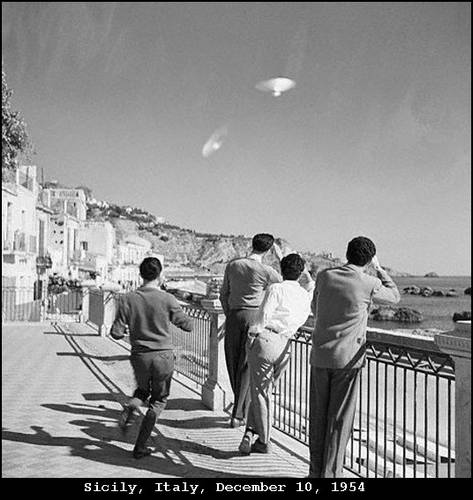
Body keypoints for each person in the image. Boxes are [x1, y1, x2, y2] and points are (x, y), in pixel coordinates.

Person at [308, 236, 400, 477]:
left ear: (347, 253)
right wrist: (379, 269)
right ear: (369, 260)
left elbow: (314, 308)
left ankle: (314, 472)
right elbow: (394, 296)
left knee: (317, 418)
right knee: (339, 421)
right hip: (348, 360)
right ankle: (331, 475)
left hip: (320, 355)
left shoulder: (325, 276)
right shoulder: (369, 282)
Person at [110, 257, 193, 459]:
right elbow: (188, 326)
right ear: (160, 275)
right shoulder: (167, 299)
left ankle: (132, 405)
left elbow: (116, 333)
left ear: (140, 274)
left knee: (141, 391)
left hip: (139, 356)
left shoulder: (127, 299)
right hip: (163, 356)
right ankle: (140, 446)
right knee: (158, 400)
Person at [239, 254, 315, 454]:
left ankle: (264, 440)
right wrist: (306, 273)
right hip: (285, 345)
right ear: (300, 273)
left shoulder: (276, 289)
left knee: (260, 393)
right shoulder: (305, 295)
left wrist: (252, 335)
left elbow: (264, 315)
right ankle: (250, 432)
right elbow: (311, 284)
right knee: (265, 391)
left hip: (266, 339)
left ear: (281, 270)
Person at [219, 233, 282, 427]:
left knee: (232, 362)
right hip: (254, 318)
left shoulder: (233, 265)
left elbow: (223, 294)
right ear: (269, 250)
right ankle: (239, 414)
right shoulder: (267, 271)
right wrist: (280, 257)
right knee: (246, 365)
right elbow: (284, 287)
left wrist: (230, 314)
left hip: (234, 316)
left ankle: (239, 409)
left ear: (251, 244)